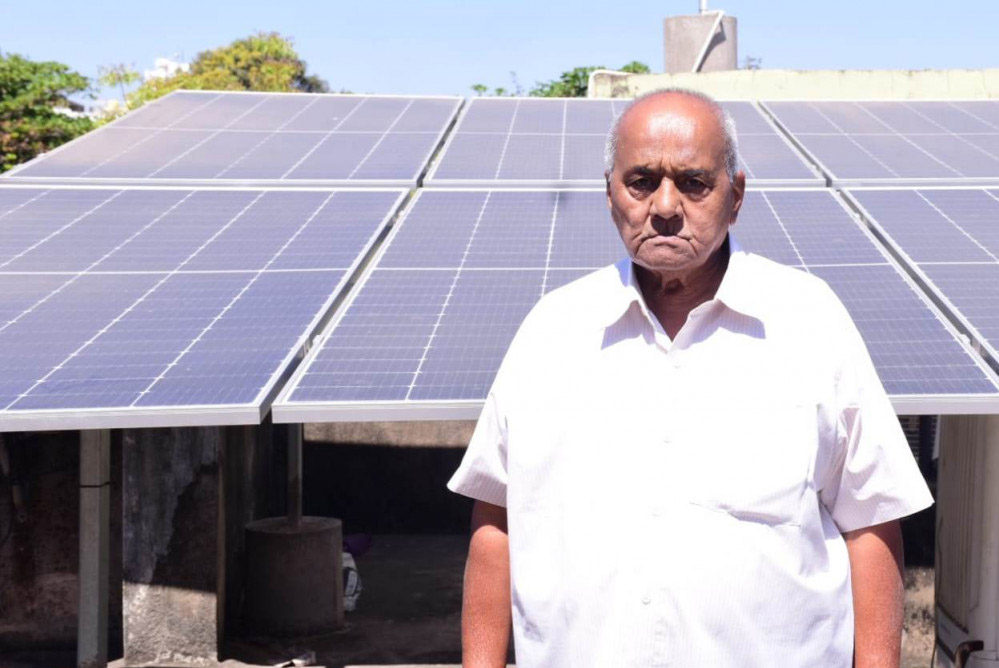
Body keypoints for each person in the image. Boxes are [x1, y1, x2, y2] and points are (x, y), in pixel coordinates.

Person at [447, 88, 933, 668]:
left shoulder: (809, 323)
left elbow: (871, 521)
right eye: (641, 181)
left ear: (736, 196)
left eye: (693, 182)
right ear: (609, 194)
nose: (665, 206)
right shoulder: (552, 332)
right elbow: (497, 521)